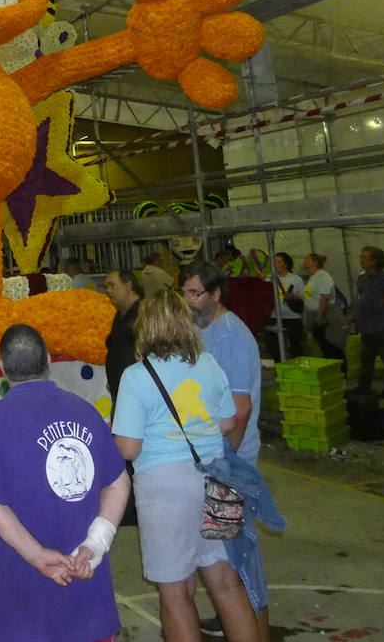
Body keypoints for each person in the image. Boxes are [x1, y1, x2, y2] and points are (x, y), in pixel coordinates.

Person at [0, 324, 129, 642]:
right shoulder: (86, 411)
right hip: (86, 590)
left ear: (1, 366)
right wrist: (95, 544)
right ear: (49, 360)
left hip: (23, 602)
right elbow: (119, 482)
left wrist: (37, 555)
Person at [112, 291, 257, 642]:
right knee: (226, 582)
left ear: (145, 326)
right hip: (215, 480)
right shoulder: (208, 364)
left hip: (166, 491)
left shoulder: (136, 376)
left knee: (176, 593)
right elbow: (227, 422)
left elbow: (129, 449)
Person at [180, 260, 268, 642]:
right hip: (213, 459)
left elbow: (241, 409)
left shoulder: (230, 337)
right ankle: (234, 617)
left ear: (216, 294)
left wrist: (224, 466)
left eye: (196, 294)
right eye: (184, 293)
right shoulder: (206, 331)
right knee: (223, 559)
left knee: (240, 561)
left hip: (229, 463)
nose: (188, 301)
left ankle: (257, 631)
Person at [351, 246, 384, 399]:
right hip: (368, 325)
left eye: (364, 258)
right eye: (360, 257)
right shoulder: (362, 278)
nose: (361, 260)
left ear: (374, 261)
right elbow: (361, 299)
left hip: (382, 325)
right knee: (366, 357)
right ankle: (364, 386)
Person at [104, 268, 146, 403]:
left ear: (128, 286)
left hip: (138, 392)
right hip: (119, 390)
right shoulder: (120, 314)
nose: (108, 291)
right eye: (106, 286)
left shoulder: (145, 314)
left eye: (112, 285)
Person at [302, 254, 345, 367]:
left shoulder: (322, 276)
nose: (304, 261)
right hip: (317, 315)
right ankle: (331, 371)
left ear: (315, 262)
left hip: (327, 315)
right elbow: (310, 295)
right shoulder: (313, 277)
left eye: (307, 259)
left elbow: (324, 298)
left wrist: (319, 317)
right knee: (324, 345)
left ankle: (341, 372)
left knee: (332, 345)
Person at [267, 253, 305, 361]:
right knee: (273, 346)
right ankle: (279, 366)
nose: (275, 264)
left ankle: (298, 367)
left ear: (286, 264)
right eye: (274, 262)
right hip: (274, 316)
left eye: (279, 262)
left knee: (295, 345)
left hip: (292, 317)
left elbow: (304, 297)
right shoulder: (269, 278)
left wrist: (293, 296)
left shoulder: (295, 279)